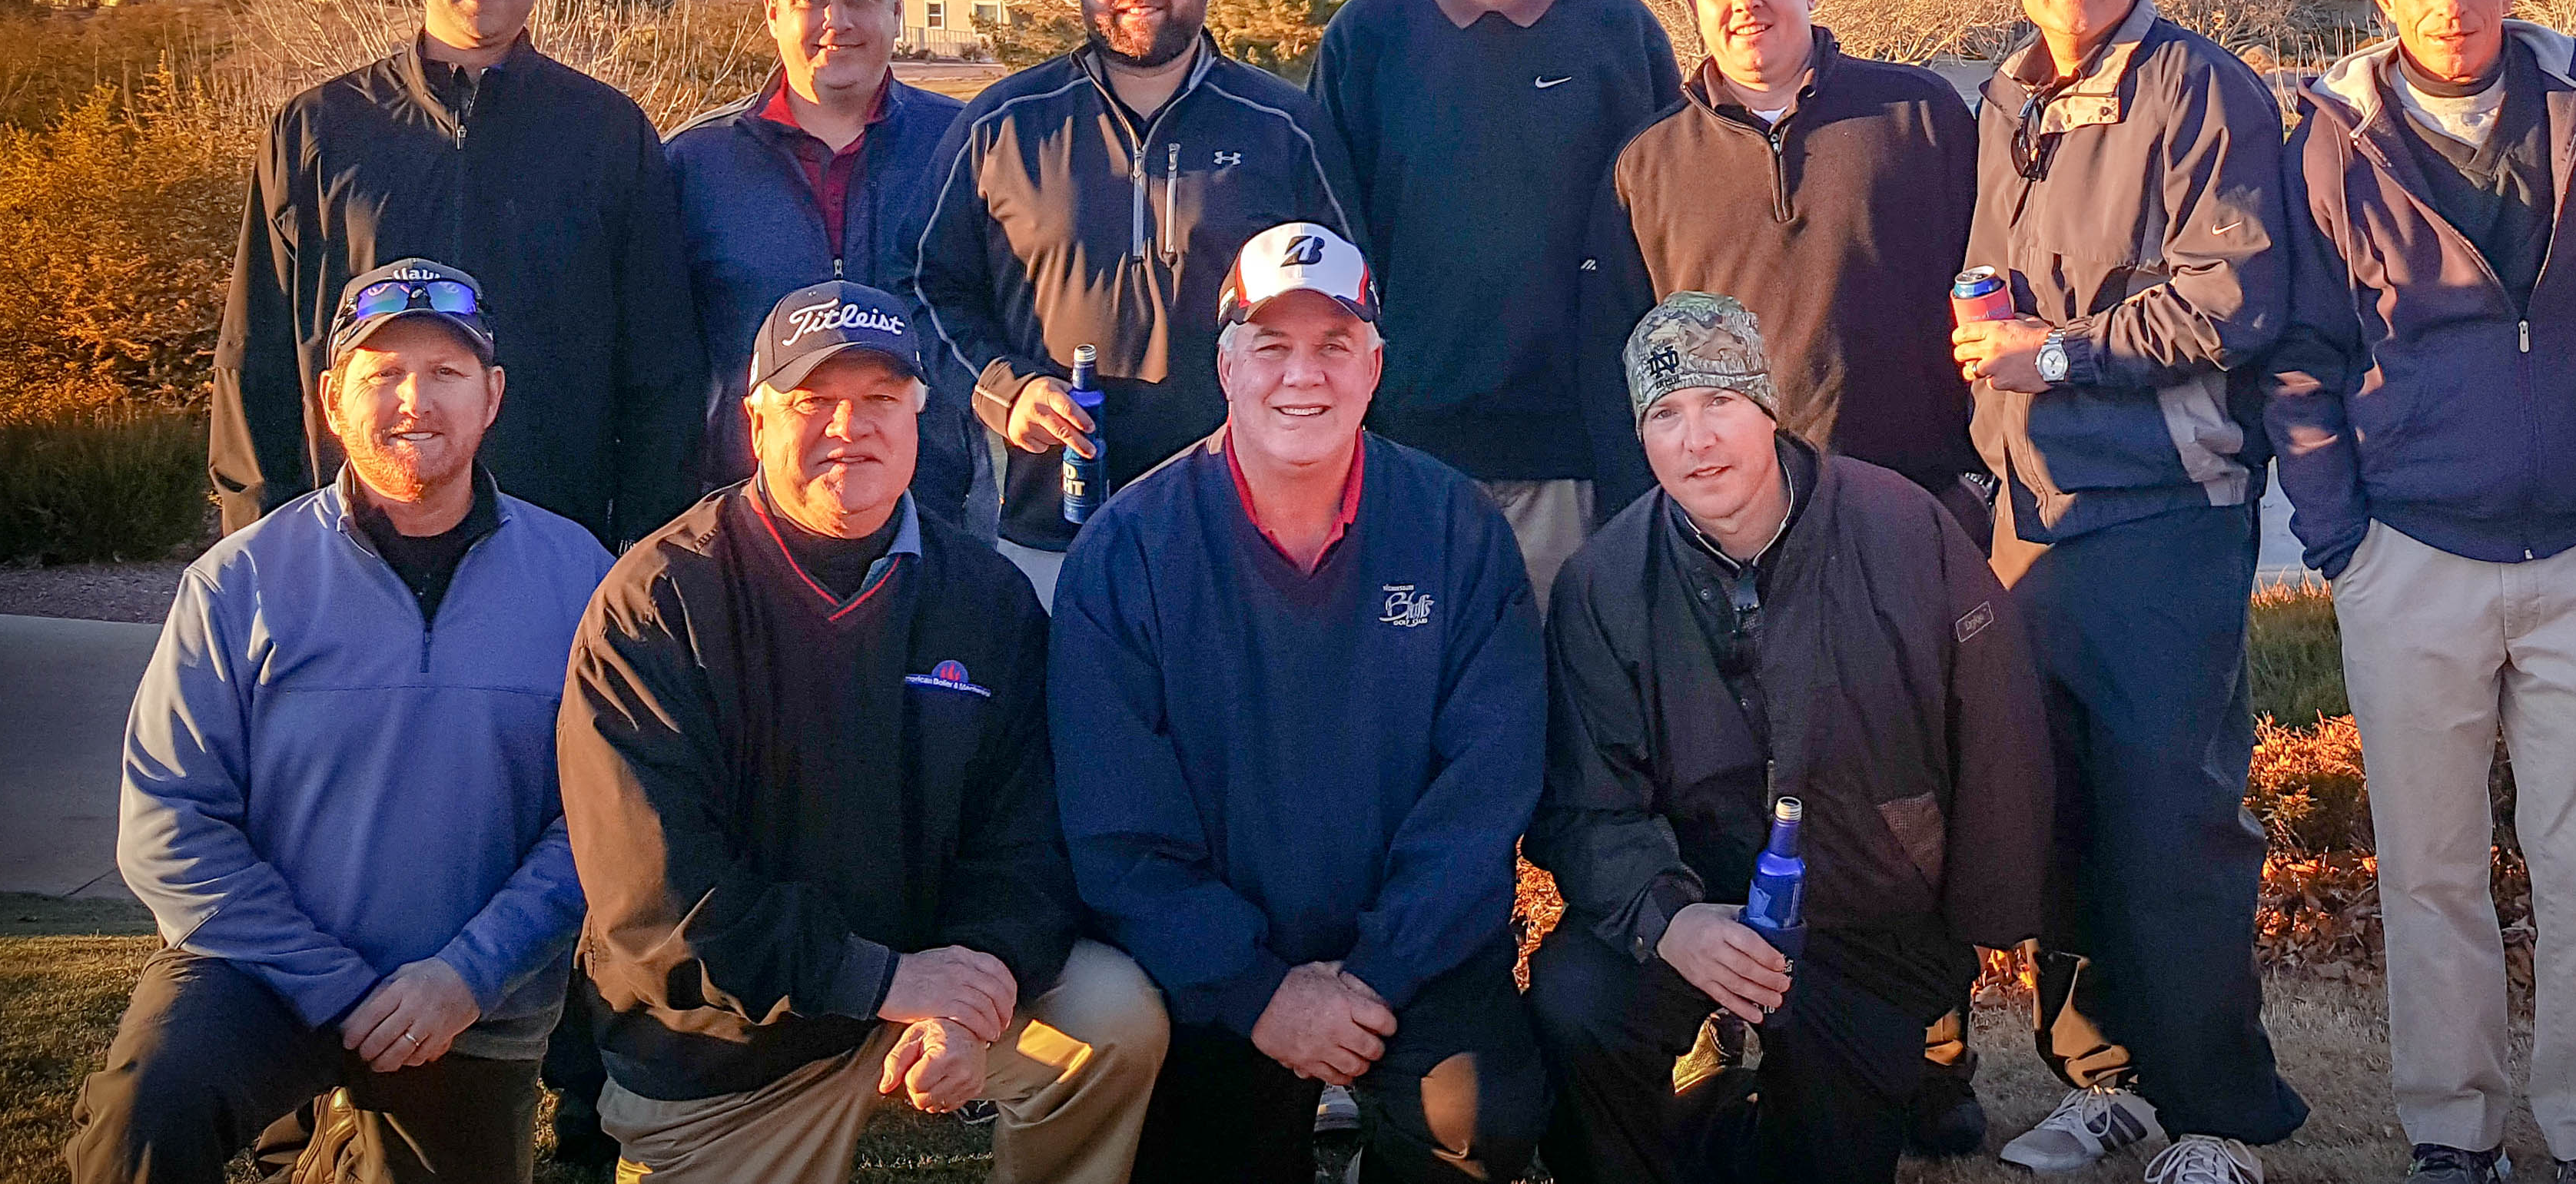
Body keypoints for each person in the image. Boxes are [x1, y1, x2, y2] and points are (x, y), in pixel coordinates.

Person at [563, 280, 1166, 1183]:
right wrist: (882, 981)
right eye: (815, 402)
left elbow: (1030, 840)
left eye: (881, 399)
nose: (852, 427)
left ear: (920, 419)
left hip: (927, 998)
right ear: (755, 423)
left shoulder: (987, 597)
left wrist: (975, 986)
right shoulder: (655, 605)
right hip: (729, 1052)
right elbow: (658, 908)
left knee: (1115, 1019)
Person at [2267, 0, 2576, 1184]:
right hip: (2412, 556)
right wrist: (2342, 545)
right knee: (2431, 874)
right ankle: (2451, 1130)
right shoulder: (2328, 134)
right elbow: (2301, 353)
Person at [72, 260, 614, 1184]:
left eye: (445, 373)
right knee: (143, 1116)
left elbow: (602, 822)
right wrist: (333, 985)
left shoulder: (582, 579)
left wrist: (466, 976)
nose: (416, 400)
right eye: (382, 375)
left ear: (492, 396)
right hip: (259, 976)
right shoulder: (239, 579)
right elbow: (168, 821)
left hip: (468, 1000)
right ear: (331, 400)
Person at [1050, 221, 1551, 1183]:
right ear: (1226, 366)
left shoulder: (1457, 530)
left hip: (1415, 954)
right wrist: (1255, 989)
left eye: (1333, 346)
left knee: (1478, 1116)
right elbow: (1117, 827)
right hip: (1215, 970)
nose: (1302, 376)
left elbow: (1486, 786)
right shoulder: (1127, 552)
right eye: (1271, 347)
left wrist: (1377, 974)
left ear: (1373, 366)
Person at [1952, 0, 2305, 1182]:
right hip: (2030, 509)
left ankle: (2216, 1111)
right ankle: (2103, 1083)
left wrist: (2056, 355)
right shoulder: (2008, 95)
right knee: (2059, 812)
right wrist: (1985, 343)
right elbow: (2003, 275)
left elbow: (2231, 296)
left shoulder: (2198, 87)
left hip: (2162, 504)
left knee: (2174, 817)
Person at [1529, 293, 2053, 1184]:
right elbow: (1585, 802)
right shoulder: (1600, 587)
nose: (1697, 441)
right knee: (1577, 1000)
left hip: (1861, 921)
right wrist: (1670, 918)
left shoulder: (1902, 529)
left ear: (1767, 408)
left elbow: (1998, 735)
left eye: (1719, 405)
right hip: (1696, 907)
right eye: (1664, 416)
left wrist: (1965, 932)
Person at [211, 0, 705, 546]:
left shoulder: (606, 131)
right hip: (352, 539)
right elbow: (254, 349)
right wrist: (257, 538)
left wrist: (649, 548)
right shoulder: (321, 127)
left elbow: (658, 363)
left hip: (553, 539)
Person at [913, 0, 1346, 602]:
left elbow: (1349, 306)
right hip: (1046, 532)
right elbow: (919, 287)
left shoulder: (1284, 128)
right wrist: (1003, 391)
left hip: (1239, 529)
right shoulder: (1001, 125)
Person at [1311, 0, 1682, 605]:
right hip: (1406, 448)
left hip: (1573, 451)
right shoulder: (1366, 39)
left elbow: (1666, 237)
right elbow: (1332, 240)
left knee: (1566, 697)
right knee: (1419, 696)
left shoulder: (1619, 34)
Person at [1595, 0, 1984, 536]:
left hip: (1918, 512)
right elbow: (1619, 362)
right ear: (1692, 5)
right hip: (1733, 529)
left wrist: (1976, 486)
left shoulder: (1920, 116)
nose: (1745, 2)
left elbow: (1990, 287)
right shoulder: (1646, 165)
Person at [671, 0, 973, 529]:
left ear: (896, 10)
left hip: (937, 519)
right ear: (772, 13)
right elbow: (656, 362)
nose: (837, 21)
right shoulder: (692, 164)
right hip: (744, 524)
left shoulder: (967, 149)